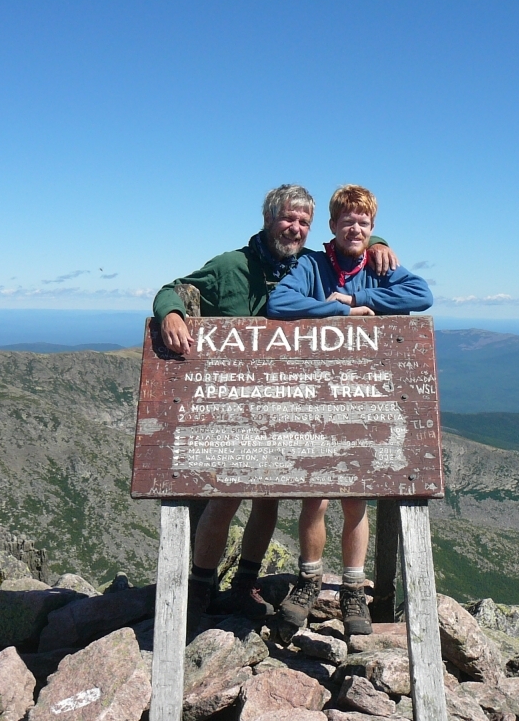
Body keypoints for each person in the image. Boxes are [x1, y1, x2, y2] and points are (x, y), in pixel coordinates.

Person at [152, 184, 399, 632]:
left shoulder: (305, 264)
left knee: (267, 500)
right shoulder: (232, 266)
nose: (295, 227)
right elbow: (175, 288)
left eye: (303, 222)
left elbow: (347, 250)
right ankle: (200, 589)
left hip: (283, 400)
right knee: (223, 498)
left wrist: (376, 243)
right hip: (228, 403)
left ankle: (245, 584)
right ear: (268, 219)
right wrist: (170, 311)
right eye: (288, 219)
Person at [266, 184, 432, 637]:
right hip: (314, 400)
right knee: (314, 496)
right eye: (347, 221)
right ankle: (309, 580)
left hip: (363, 401)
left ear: (372, 229)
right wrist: (333, 311)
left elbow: (421, 295)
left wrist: (363, 302)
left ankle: (355, 591)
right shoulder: (313, 264)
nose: (355, 228)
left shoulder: (379, 267)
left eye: (364, 223)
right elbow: (279, 302)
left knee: (356, 498)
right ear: (334, 227)